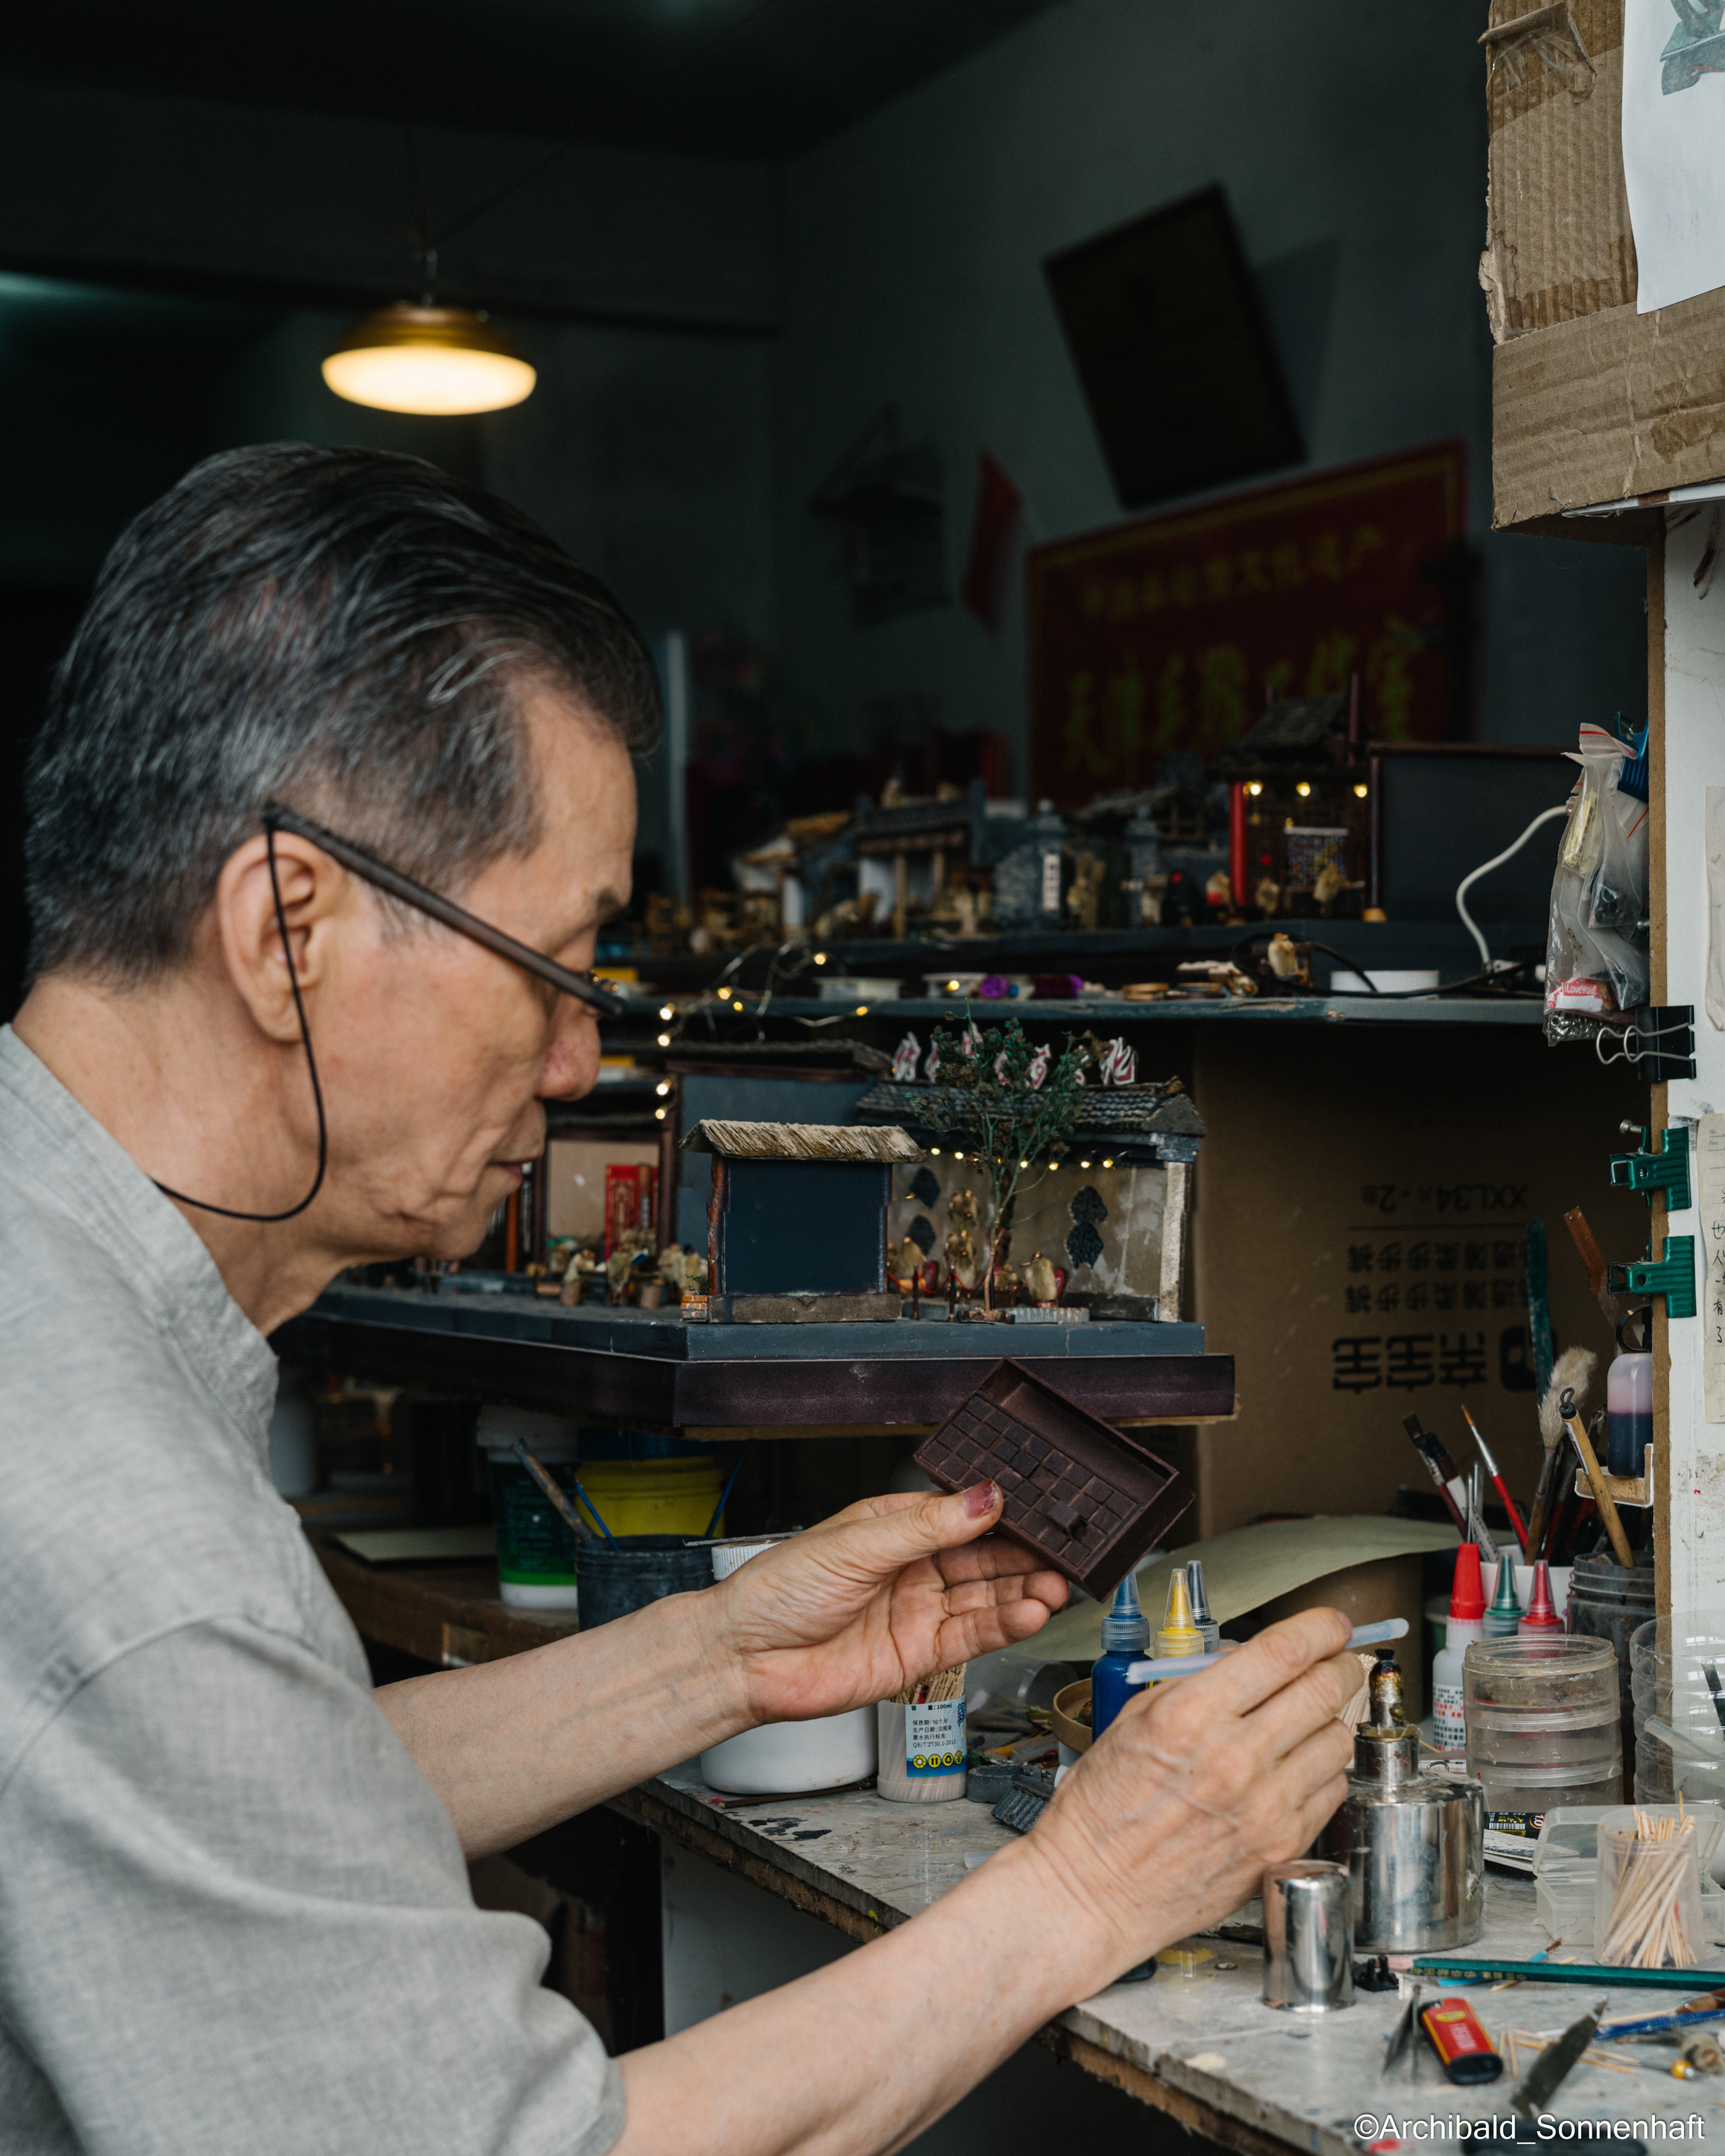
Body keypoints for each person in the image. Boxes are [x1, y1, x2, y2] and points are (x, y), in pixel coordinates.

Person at [0, 445, 1359, 2156]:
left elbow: (259, 1821)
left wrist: (722, 1655)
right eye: (559, 968)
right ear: (289, 929)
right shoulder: (127, 1529)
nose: (580, 1059)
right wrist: (1088, 1885)